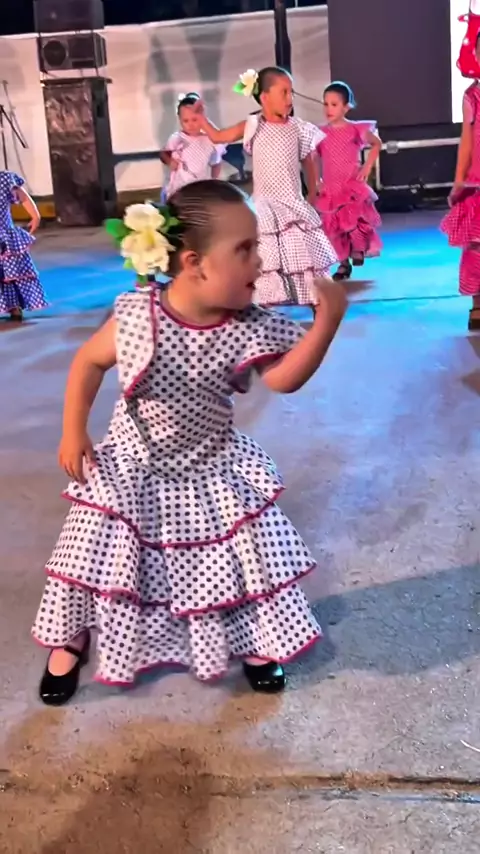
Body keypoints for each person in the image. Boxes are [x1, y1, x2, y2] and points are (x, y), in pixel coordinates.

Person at [32, 179, 347, 706]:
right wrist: (73, 430)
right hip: (132, 461)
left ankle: (253, 636)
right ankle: (72, 634)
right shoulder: (139, 316)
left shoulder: (248, 325)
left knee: (235, 556)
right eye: (245, 249)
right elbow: (88, 361)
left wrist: (326, 324)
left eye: (258, 246)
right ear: (194, 263)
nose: (260, 261)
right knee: (92, 556)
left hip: (210, 464)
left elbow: (283, 379)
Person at [196, 66, 337, 306]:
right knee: (266, 259)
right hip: (264, 205)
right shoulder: (253, 126)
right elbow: (220, 137)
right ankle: (267, 305)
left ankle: (316, 304)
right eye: (284, 92)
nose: (290, 98)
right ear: (264, 97)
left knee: (304, 258)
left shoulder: (298, 127)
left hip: (291, 203)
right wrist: (201, 119)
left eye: (291, 92)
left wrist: (314, 188)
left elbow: (309, 158)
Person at [315, 81, 382, 282]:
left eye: (334, 104)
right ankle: (343, 264)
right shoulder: (320, 133)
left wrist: (367, 167)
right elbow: (313, 157)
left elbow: (376, 143)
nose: (328, 109)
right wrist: (316, 179)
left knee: (354, 222)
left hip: (350, 186)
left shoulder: (354, 129)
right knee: (334, 229)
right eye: (326, 104)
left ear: (346, 107)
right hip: (331, 188)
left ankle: (358, 250)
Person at [441, 32, 480, 330]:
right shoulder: (472, 96)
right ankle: (477, 302)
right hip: (477, 182)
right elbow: (466, 140)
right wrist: (458, 181)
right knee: (476, 244)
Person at [0, 170, 47, 321]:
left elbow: (23, 196)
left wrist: (35, 215)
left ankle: (14, 306)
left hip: (4, 237)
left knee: (11, 273)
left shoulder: (4, 179)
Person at [160, 92, 225, 198]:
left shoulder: (209, 139)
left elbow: (216, 162)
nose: (190, 124)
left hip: (201, 187)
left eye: (194, 120)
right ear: (180, 120)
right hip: (179, 187)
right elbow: (163, 153)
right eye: (186, 121)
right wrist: (169, 161)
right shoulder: (177, 138)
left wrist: (214, 182)